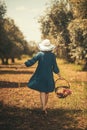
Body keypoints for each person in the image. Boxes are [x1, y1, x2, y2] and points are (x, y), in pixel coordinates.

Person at [20, 39, 61, 114]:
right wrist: (59, 75)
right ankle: (45, 107)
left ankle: (43, 108)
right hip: (48, 76)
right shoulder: (52, 56)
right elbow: (55, 67)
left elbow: (32, 61)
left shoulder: (39, 54)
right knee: (47, 92)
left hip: (40, 75)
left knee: (42, 91)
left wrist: (23, 64)